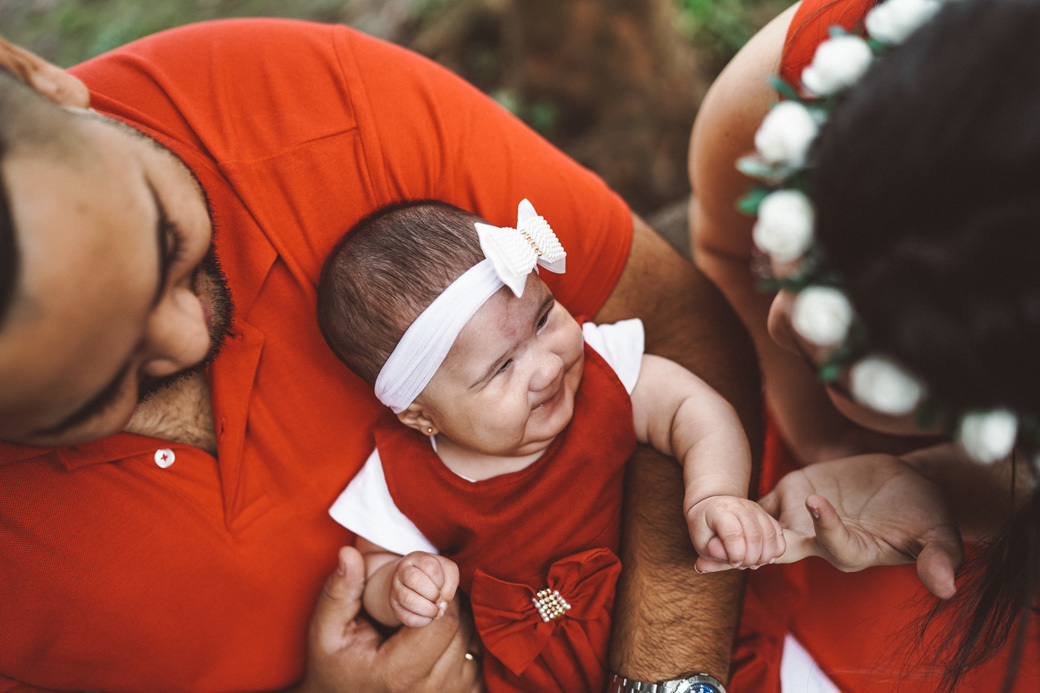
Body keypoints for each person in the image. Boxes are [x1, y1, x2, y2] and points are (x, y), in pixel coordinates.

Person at [0, 17, 761, 693]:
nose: (192, 335)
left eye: (166, 240)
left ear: (27, 74)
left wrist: (667, 677)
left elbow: (679, 330)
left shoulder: (303, 100)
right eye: (102, 390)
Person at [690, 0, 1040, 690]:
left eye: (847, 370)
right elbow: (721, 242)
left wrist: (978, 493)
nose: (779, 323)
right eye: (781, 263)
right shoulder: (835, 53)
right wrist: (822, 431)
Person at [316, 199, 783, 691]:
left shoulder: (604, 374)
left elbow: (696, 409)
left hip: (683, 637)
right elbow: (373, 566)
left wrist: (715, 494)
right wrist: (401, 583)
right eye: (501, 368)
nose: (547, 367)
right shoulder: (403, 475)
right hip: (530, 677)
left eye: (542, 320)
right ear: (421, 415)